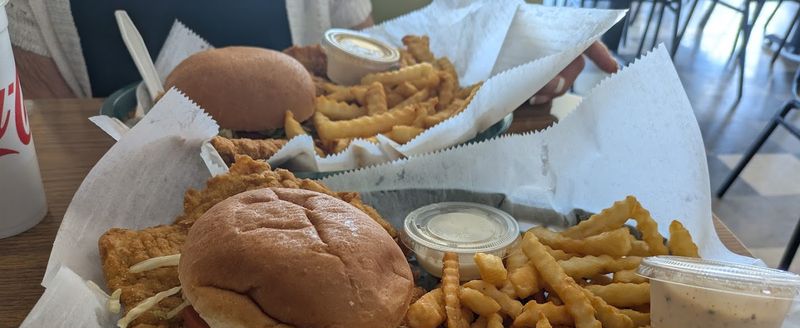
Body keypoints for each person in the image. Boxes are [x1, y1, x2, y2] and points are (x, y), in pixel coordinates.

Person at [9, 0, 616, 100]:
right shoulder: (30, 11)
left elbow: (375, 62)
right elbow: (59, 136)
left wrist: (514, 61)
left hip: (321, 196)